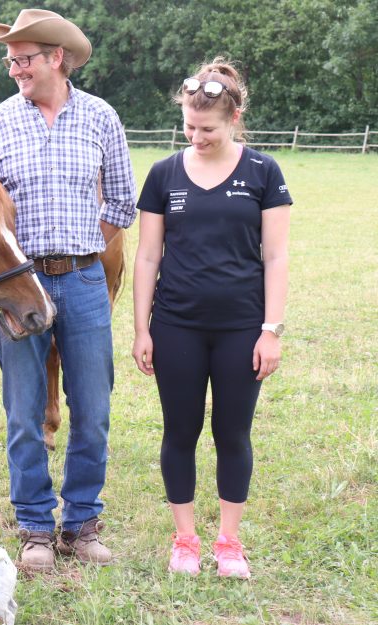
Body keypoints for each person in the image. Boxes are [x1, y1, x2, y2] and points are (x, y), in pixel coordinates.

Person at [0, 9, 137, 571]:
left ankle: (83, 524)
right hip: (19, 286)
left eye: (24, 59)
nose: (15, 69)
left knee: (91, 408)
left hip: (86, 277)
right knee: (22, 412)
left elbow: (120, 201)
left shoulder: (100, 116)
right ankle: (37, 527)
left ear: (55, 59)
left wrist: (86, 249)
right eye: (11, 60)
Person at [132, 58, 291, 578]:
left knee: (232, 432)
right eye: (188, 126)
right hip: (176, 323)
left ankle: (229, 542)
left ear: (235, 118)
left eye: (208, 128)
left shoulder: (264, 172)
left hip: (242, 328)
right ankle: (185, 540)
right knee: (180, 431)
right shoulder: (163, 174)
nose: (196, 136)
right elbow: (148, 257)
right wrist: (141, 328)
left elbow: (276, 257)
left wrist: (271, 330)